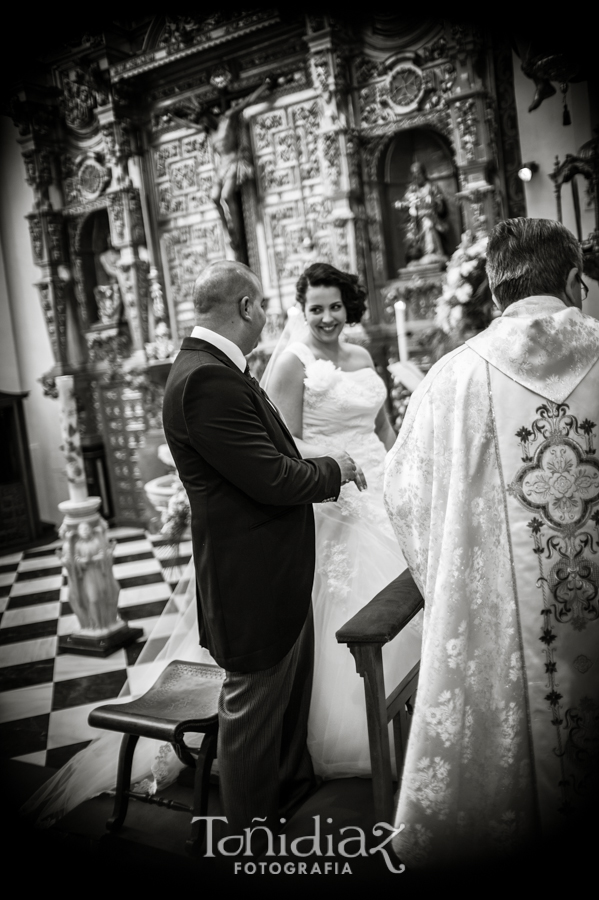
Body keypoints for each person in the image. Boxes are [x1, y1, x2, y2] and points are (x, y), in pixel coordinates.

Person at [384, 218, 599, 868]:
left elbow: (406, 497)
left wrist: (460, 579)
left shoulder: (450, 380)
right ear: (573, 281)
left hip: (509, 640)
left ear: (491, 288)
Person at [263, 262, 423, 777]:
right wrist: (338, 463)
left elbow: (382, 426)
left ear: (347, 305)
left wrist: (403, 471)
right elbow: (283, 442)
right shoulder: (292, 362)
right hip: (336, 495)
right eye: (316, 309)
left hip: (382, 485)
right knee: (360, 598)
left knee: (412, 591)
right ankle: (363, 732)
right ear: (301, 309)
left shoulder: (360, 354)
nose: (327, 317)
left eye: (335, 306)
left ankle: (418, 712)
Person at [170, 77, 275, 257]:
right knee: (214, 197)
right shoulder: (209, 131)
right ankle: (228, 230)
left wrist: (264, 86)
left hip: (233, 162)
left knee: (226, 195)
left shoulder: (227, 119)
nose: (203, 125)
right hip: (221, 168)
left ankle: (236, 230)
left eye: (204, 121)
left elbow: (247, 101)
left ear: (208, 115)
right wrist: (173, 118)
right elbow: (189, 125)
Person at [395, 161, 448, 265]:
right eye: (414, 174)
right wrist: (400, 205)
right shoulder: (412, 189)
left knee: (428, 225)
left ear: (424, 173)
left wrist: (433, 201)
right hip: (415, 221)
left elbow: (440, 203)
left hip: (430, 217)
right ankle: (417, 256)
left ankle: (432, 253)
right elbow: (406, 203)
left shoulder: (432, 186)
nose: (416, 176)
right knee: (409, 235)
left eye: (419, 173)